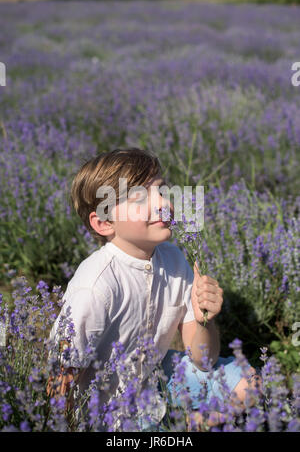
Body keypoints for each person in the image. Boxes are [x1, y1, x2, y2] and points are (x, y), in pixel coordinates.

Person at [47, 147, 261, 431]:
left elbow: (203, 360)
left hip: (154, 378)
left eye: (160, 191)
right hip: (109, 409)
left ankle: (192, 423)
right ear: (103, 222)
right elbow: (61, 378)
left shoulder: (173, 258)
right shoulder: (96, 286)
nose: (161, 203)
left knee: (252, 382)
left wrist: (203, 320)